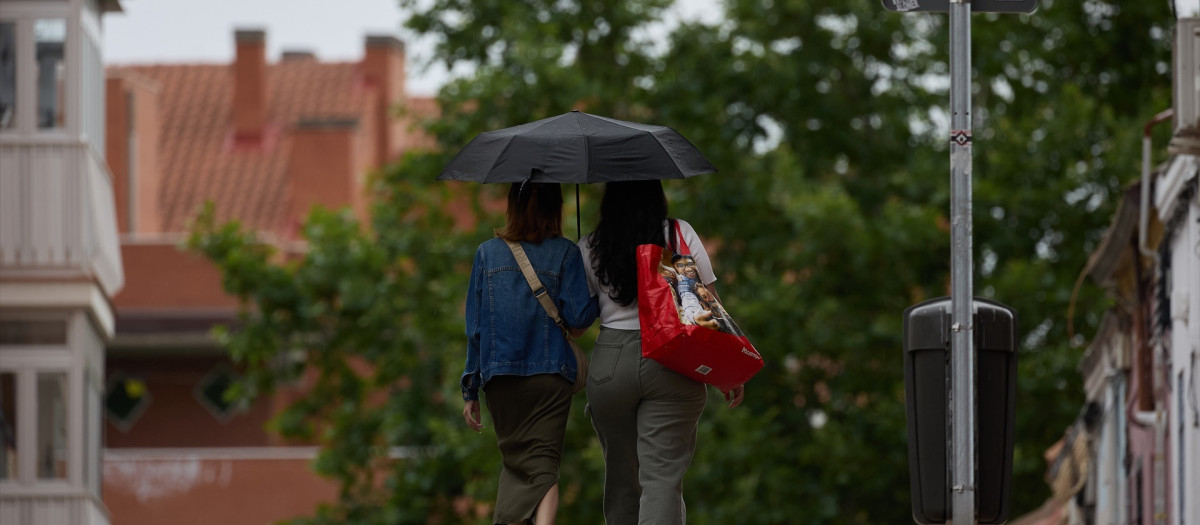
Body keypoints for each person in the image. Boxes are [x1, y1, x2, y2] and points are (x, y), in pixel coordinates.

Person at [577, 180, 745, 524]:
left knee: (622, 480)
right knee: (662, 480)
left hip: (612, 363)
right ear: (656, 195)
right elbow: (710, 305)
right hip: (673, 359)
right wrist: (728, 369)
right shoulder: (679, 234)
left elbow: (579, 322)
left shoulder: (592, 244)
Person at [460, 181, 600, 525]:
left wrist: (470, 389)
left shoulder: (486, 253)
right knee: (543, 465)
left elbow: (475, 328)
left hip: (500, 380)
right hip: (549, 376)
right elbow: (580, 318)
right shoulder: (566, 252)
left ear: (512, 206)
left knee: (517, 463)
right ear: (556, 207)